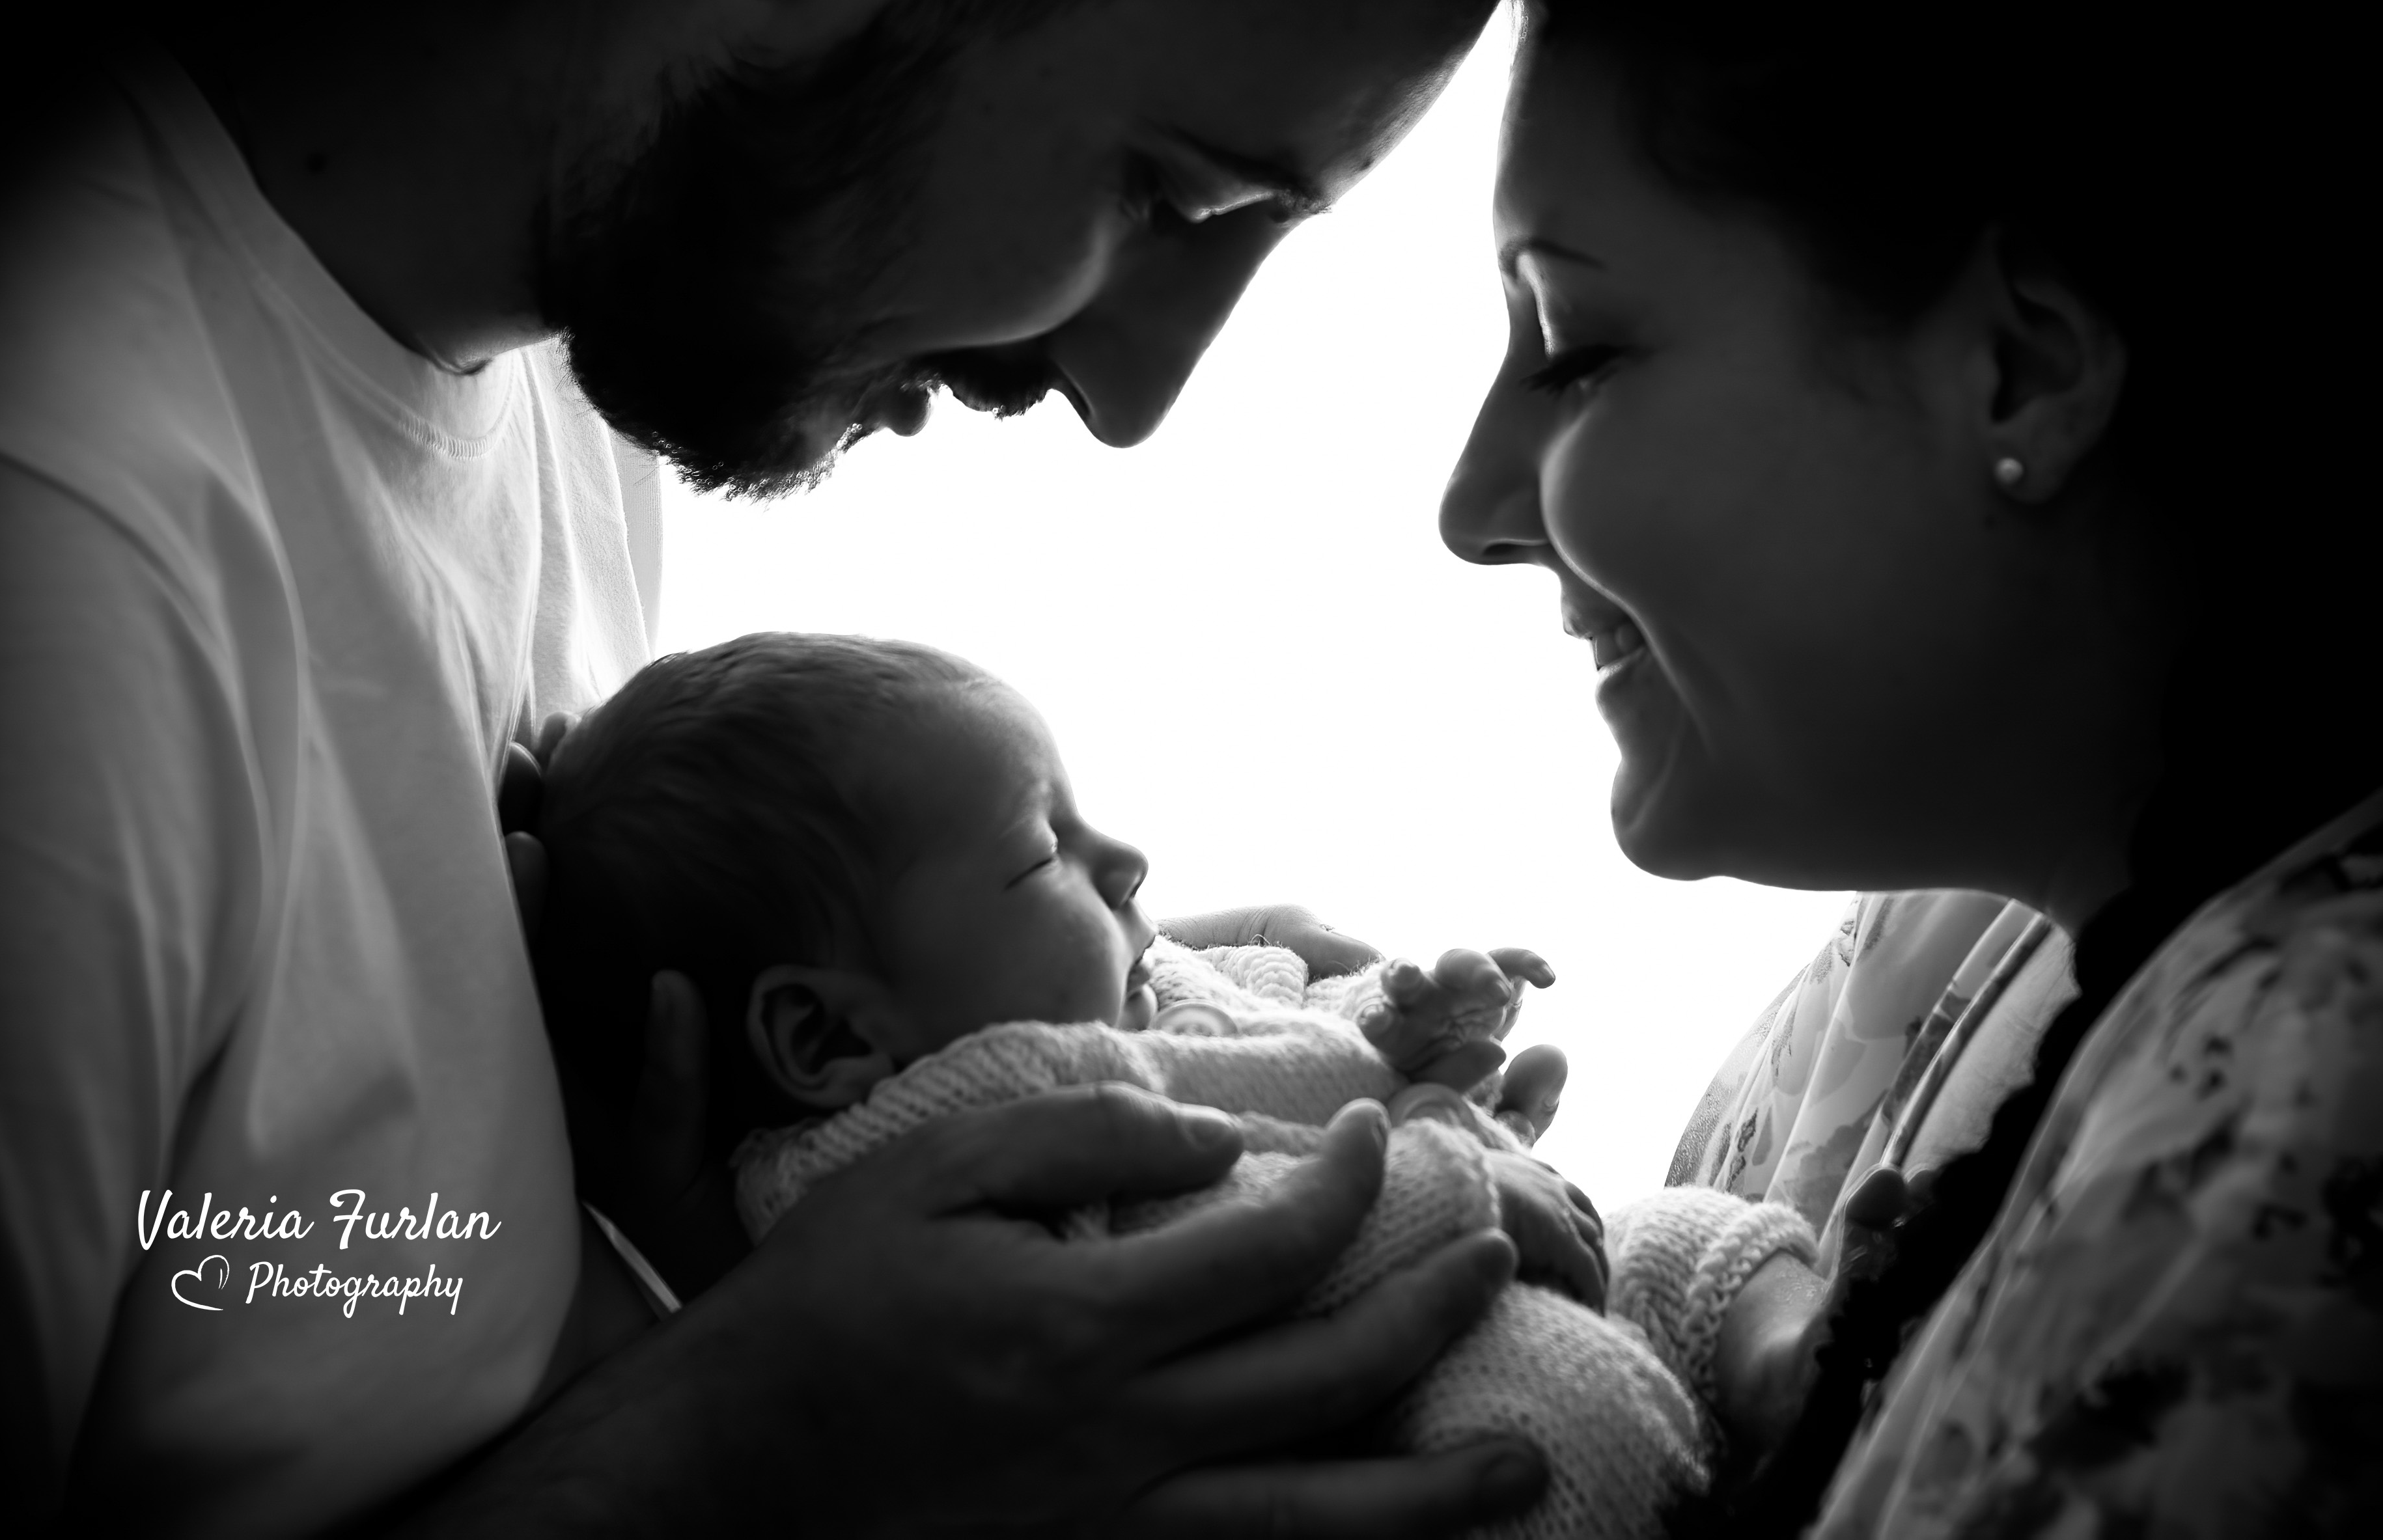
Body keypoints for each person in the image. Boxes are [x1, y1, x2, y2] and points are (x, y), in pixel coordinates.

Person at [0, 0, 1549, 1535]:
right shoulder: (12, 559)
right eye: (1162, 191)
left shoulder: (565, 399)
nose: (1137, 391)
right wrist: (738, 1443)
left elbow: (287, 1249)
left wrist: (1027, 1014)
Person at [1436, 0, 2383, 1533]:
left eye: (1570, 340)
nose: (1467, 505)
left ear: (2022, 367)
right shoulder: (1972, 975)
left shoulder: (2308, 1105)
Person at [531, 629, 1733, 1540]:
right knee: (1572, 1414)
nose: (1128, 860)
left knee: (1682, 1237)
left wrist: (1403, 1011)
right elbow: (1247, 1231)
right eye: (1046, 847)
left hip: (1430, 1286)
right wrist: (1457, 1180)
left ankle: (1787, 1367)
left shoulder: (1072, 1008)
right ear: (827, 1033)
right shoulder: (965, 1135)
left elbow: (1257, 1018)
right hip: (1391, 1396)